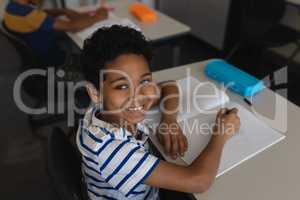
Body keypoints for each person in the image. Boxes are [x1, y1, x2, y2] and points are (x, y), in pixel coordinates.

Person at [77, 25, 241, 200]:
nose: (139, 95)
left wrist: (168, 120)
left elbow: (169, 86)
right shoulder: (110, 149)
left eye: (145, 81)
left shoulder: (103, 108)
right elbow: (199, 182)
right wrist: (221, 134)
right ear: (95, 93)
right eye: (122, 86)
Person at [3, 0, 108, 66]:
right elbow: (71, 27)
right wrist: (97, 17)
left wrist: (62, 11)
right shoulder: (29, 15)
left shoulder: (12, 6)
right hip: (51, 57)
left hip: (36, 48)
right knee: (97, 58)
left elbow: (40, 14)